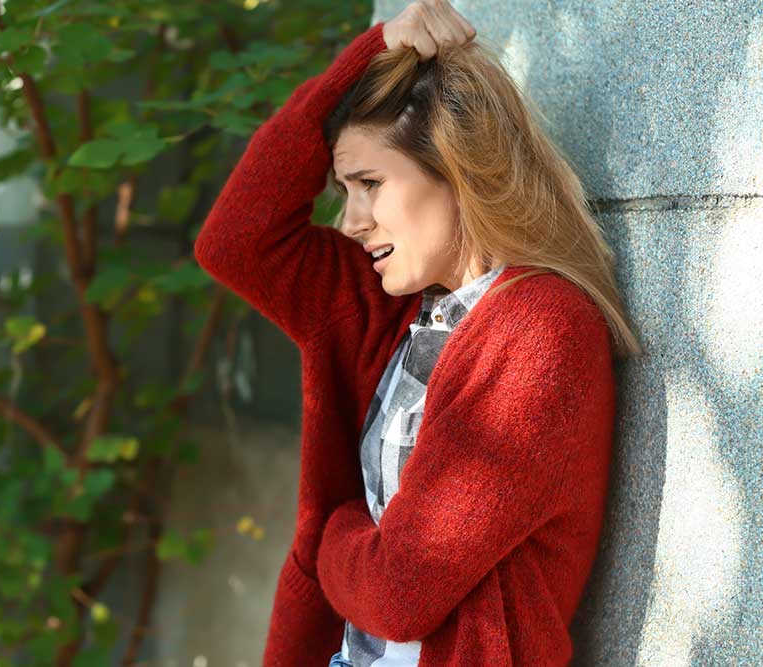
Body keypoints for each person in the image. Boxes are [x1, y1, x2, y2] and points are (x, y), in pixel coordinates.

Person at [193, 1, 643, 665]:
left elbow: (398, 588)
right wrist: (365, 54)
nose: (351, 221)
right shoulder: (385, 304)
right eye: (345, 189)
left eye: (370, 183)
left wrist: (330, 535)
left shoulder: (541, 329)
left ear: (457, 170)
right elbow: (235, 242)